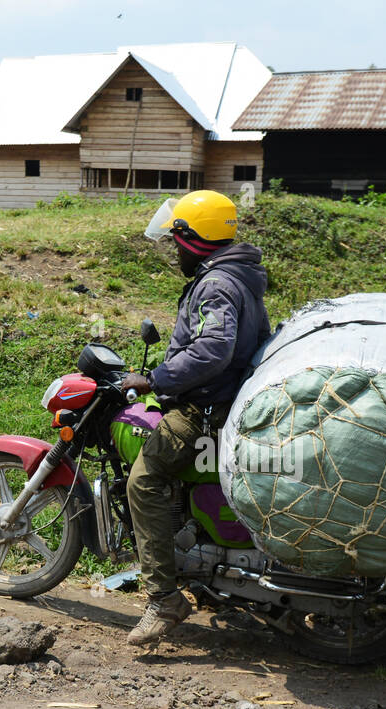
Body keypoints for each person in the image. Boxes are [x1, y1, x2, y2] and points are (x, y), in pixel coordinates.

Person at [122, 191, 271, 645]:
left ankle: (164, 597)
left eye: (176, 241)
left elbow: (211, 350)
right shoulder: (237, 275)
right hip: (220, 400)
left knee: (143, 481)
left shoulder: (216, 284)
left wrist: (155, 379)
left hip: (205, 408)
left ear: (193, 239)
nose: (174, 251)